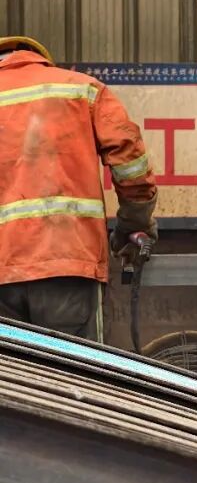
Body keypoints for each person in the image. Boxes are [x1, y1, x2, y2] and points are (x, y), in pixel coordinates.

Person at [0, 35, 157, 341]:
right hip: (68, 262)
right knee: (74, 368)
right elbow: (131, 163)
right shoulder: (82, 89)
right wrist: (134, 223)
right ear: (38, 57)